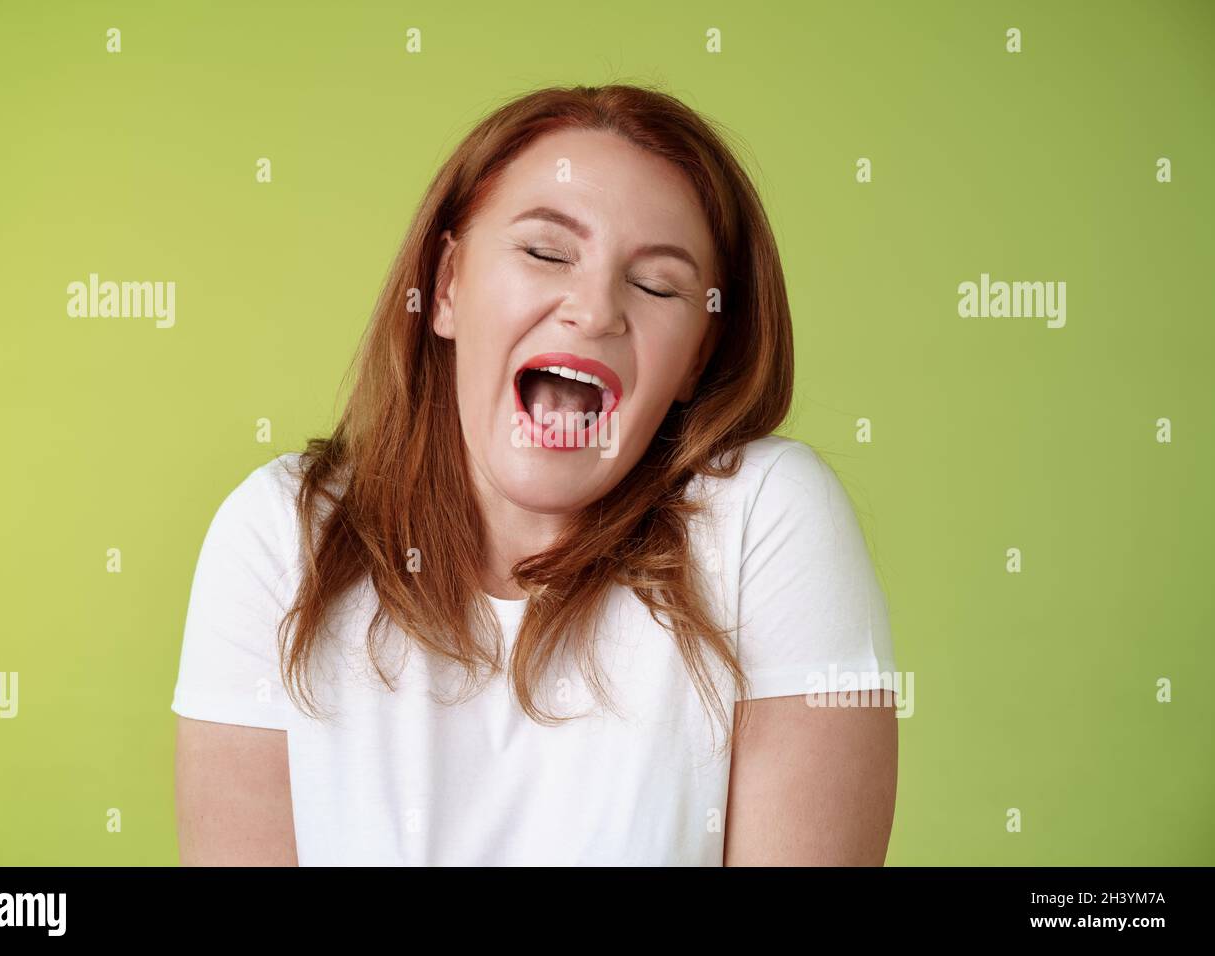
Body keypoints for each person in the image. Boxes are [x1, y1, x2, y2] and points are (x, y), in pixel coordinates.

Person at [172, 83, 898, 866]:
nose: (594, 311)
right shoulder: (280, 535)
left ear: (697, 356)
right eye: (546, 252)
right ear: (446, 287)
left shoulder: (765, 518)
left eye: (657, 284)